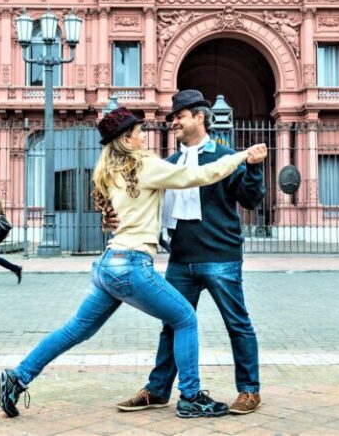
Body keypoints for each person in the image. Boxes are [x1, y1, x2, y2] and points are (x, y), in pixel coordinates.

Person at [0, 106, 267, 419]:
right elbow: (201, 175)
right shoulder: (147, 165)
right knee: (185, 320)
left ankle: (18, 378)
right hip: (133, 265)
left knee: (75, 330)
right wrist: (240, 156)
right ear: (127, 139)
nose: (143, 135)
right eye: (138, 131)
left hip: (109, 265)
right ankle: (191, 397)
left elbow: (117, 216)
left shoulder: (108, 171)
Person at [114, 89, 267, 416]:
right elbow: (142, 203)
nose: (174, 123)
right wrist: (113, 215)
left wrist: (253, 169)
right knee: (172, 324)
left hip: (221, 258)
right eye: (172, 118)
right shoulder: (170, 165)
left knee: (237, 323)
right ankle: (157, 390)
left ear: (200, 117)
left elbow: (252, 200)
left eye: (180, 117)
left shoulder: (225, 157)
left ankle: (250, 390)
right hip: (180, 260)